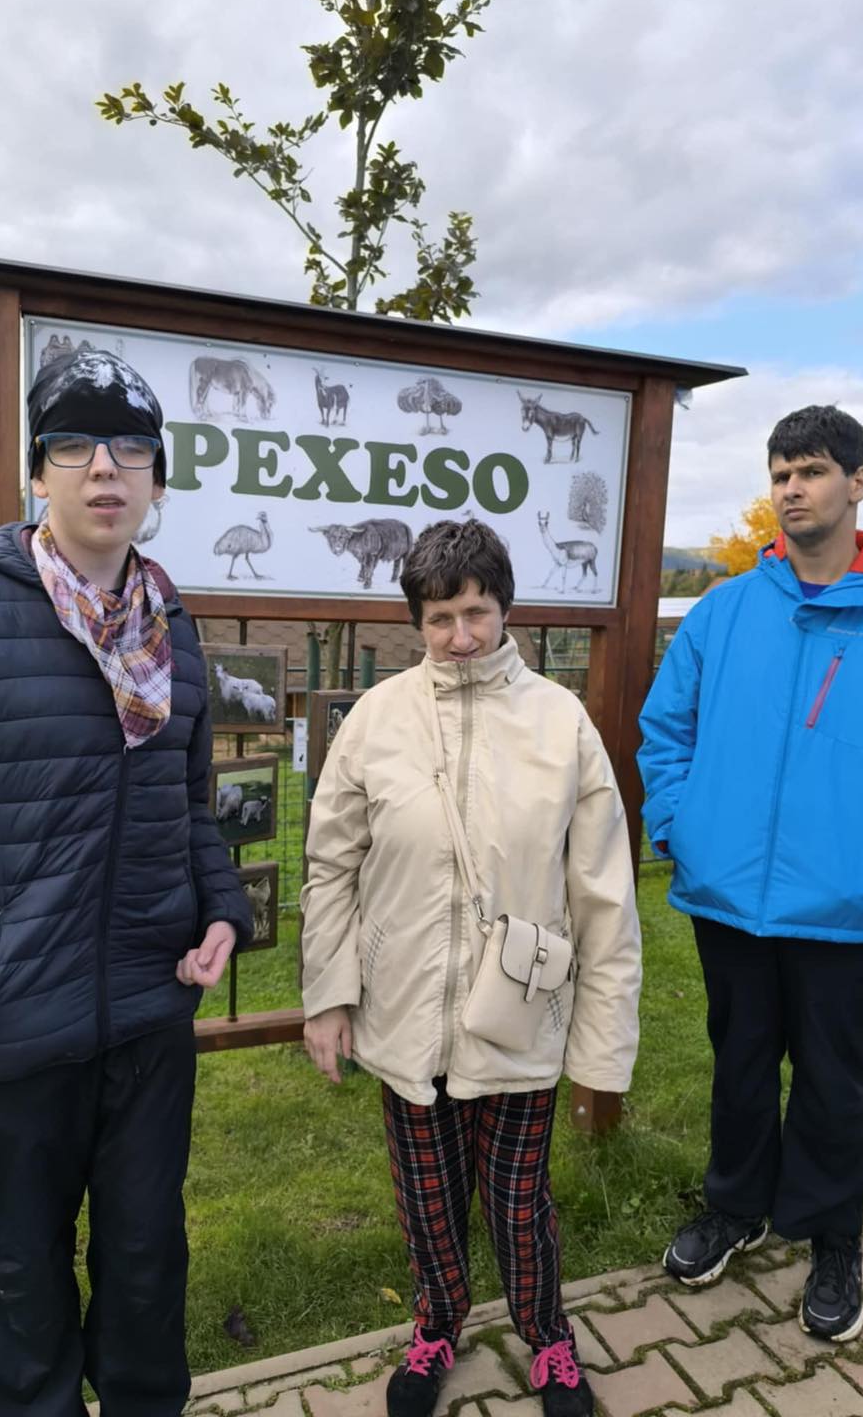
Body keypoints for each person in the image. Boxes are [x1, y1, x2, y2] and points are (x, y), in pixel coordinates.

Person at [0, 349, 253, 1417]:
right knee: (21, 1286)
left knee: (146, 1271)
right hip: (13, 1034)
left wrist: (221, 910)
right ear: (38, 471)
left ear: (157, 478)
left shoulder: (172, 627)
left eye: (131, 446)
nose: (105, 467)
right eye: (75, 444)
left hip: (148, 1021)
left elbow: (189, 806)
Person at [638, 405, 863, 1342]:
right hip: (728, 899)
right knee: (740, 1064)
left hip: (849, 906)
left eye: (813, 470)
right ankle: (735, 1209)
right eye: (781, 472)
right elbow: (667, 732)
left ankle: (831, 1238)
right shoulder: (726, 611)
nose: (792, 488)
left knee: (831, 1078)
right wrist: (681, 825)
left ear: (856, 484)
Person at [300, 519, 642, 1417]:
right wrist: (329, 996)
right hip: (405, 1012)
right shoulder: (376, 721)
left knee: (519, 1203)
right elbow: (330, 865)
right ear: (417, 620)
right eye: (441, 618)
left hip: (519, 1013)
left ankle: (547, 1335)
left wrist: (602, 1047)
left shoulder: (560, 723)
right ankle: (437, 1324)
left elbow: (603, 893)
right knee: (427, 1200)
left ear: (505, 608)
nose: (460, 637)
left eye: (477, 613)